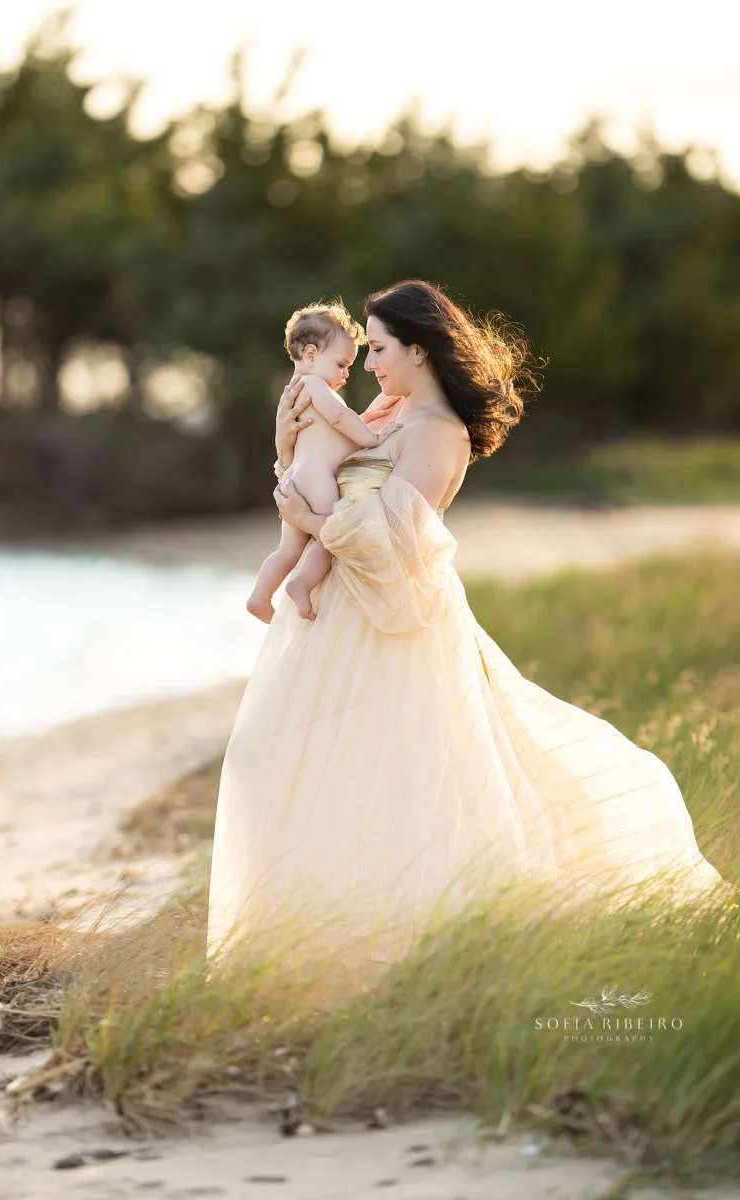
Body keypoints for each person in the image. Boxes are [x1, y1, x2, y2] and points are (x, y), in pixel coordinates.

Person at [206, 279, 728, 971]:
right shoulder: (387, 411)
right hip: (328, 615)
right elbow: (326, 464)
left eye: (382, 348)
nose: (368, 363)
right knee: (269, 760)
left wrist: (306, 520)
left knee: (386, 782)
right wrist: (292, 473)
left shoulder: (439, 434)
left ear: (419, 351)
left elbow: (394, 543)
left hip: (388, 623)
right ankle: (292, 952)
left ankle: (383, 953)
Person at [246, 301, 403, 624]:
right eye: (342, 365)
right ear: (312, 355)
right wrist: (373, 436)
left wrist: (367, 417)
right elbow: (340, 417)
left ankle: (260, 597)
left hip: (295, 477)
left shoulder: (293, 391)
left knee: (288, 549)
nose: (346, 374)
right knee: (332, 533)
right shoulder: (315, 385)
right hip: (316, 479)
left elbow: (329, 431)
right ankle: (301, 584)